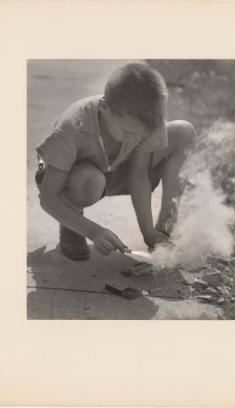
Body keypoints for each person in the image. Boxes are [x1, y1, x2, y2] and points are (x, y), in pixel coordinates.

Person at [36, 62, 196, 260]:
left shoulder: (145, 120)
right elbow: (48, 198)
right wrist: (93, 231)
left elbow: (138, 176)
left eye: (140, 136)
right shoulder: (72, 127)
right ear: (104, 108)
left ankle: (165, 226)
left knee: (183, 131)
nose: (134, 140)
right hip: (74, 177)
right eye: (127, 132)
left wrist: (148, 234)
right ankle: (72, 221)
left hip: (117, 169)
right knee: (90, 181)